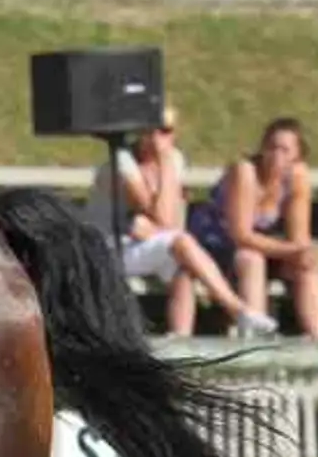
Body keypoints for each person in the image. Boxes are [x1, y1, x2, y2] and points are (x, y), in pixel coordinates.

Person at [83, 107, 278, 337]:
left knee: (184, 265)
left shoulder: (175, 158)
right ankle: (238, 311)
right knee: (182, 244)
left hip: (142, 245)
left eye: (165, 131)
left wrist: (166, 164)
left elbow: (168, 221)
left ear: (174, 133)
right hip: (107, 247)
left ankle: (181, 338)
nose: (157, 137)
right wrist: (165, 163)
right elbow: (160, 215)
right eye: (150, 130)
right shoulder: (123, 161)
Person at [185, 117, 318, 339]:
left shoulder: (298, 176)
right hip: (218, 245)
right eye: (271, 147)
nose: (276, 156)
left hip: (263, 246)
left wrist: (300, 254)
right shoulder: (245, 172)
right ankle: (257, 339)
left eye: (285, 150)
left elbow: (299, 239)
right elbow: (241, 235)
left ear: (297, 156)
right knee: (251, 259)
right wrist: (293, 251)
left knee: (306, 268)